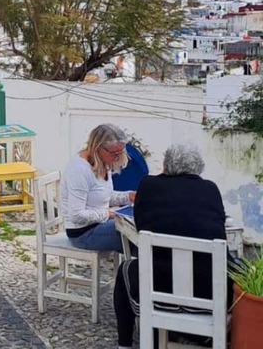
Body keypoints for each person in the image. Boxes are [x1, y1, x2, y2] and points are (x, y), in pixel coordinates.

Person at [113, 143, 233, 349]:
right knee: (235, 267)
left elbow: (141, 226)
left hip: (157, 289)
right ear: (199, 168)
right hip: (208, 292)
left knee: (125, 269)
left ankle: (124, 344)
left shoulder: (148, 186)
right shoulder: (210, 189)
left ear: (166, 165)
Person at [61, 124, 136, 252]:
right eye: (114, 153)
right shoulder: (79, 170)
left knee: (143, 230)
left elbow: (101, 195)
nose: (117, 157)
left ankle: (145, 266)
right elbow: (77, 216)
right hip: (83, 232)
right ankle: (141, 268)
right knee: (136, 235)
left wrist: (128, 197)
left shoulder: (103, 162)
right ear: (97, 148)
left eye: (121, 152)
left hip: (101, 223)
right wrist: (108, 213)